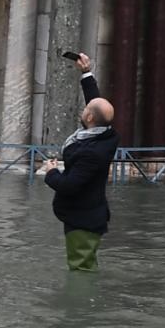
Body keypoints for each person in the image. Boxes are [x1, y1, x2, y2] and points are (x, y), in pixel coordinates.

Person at [37, 54, 115, 272]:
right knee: (85, 265)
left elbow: (69, 186)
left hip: (84, 219)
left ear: (89, 119)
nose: (84, 109)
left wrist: (51, 171)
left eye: (86, 110)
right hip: (88, 214)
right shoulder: (106, 134)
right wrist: (86, 72)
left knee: (81, 270)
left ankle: (83, 305)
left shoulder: (91, 153)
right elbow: (95, 104)